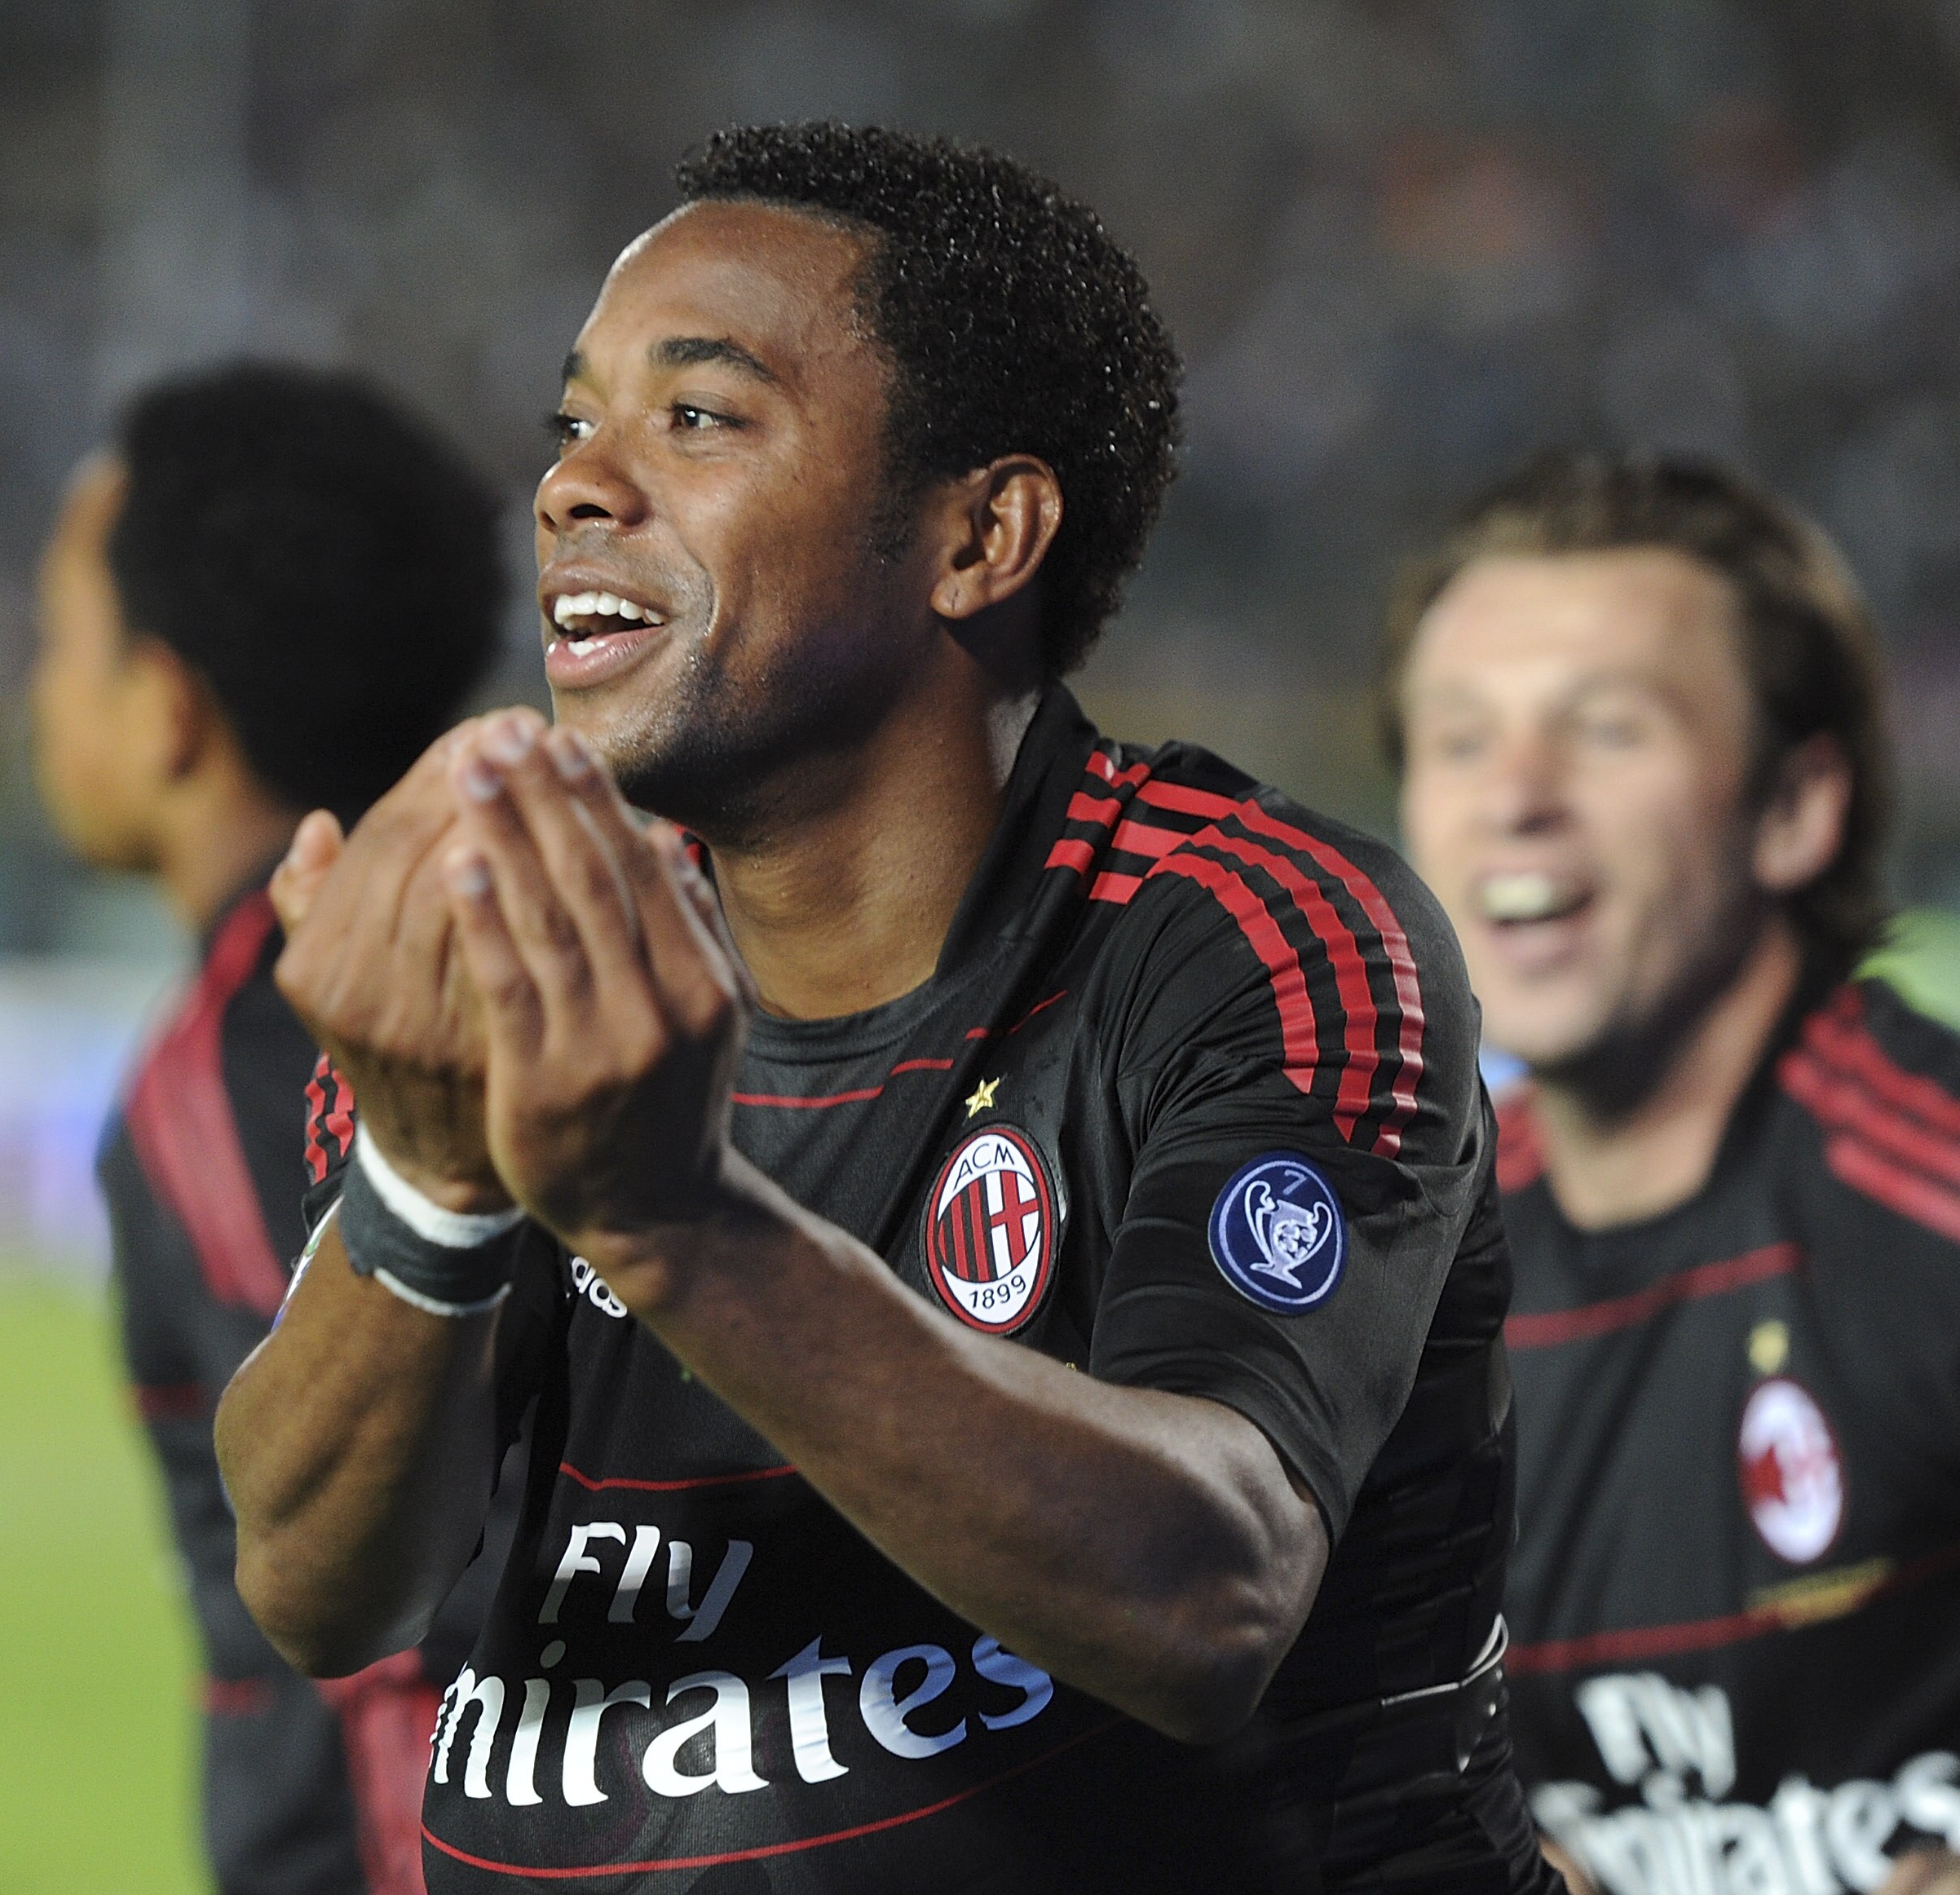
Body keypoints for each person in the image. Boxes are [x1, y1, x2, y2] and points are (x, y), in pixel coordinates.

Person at [213, 122, 1556, 1892]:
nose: (574, 487)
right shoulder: (537, 945)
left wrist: (671, 1214)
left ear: (978, 534)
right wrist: (428, 1180)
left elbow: (1208, 1590)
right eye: (573, 423)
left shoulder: (1239, 932)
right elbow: (322, 1586)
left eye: (696, 417)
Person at [1385, 452, 1960, 1895]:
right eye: (1457, 741)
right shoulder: (1403, 1276)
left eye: (1608, 730)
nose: (1516, 796)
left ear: (1796, 808)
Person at [29, 360, 514, 1895]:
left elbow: (375, 1584)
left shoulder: (248, 1056)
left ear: (168, 712)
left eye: (59, 647)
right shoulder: (493, 956)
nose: (35, 691)